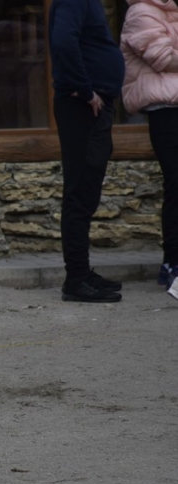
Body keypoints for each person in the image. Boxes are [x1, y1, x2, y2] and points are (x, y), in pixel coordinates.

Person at [49, 0, 127, 302]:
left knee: (87, 190)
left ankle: (82, 271)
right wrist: (85, 89)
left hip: (90, 106)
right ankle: (77, 278)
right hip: (82, 107)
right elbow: (63, 42)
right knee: (80, 192)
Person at [121, 0, 178, 301]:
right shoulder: (141, 12)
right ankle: (173, 263)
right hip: (165, 111)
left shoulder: (170, 10)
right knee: (176, 183)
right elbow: (162, 58)